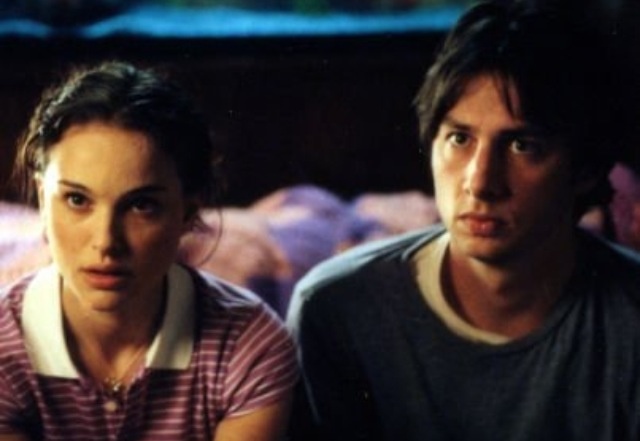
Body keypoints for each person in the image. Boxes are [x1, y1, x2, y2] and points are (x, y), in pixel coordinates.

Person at [286, 2, 640, 440]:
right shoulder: (336, 309)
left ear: (584, 168)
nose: (481, 182)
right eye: (459, 138)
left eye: (522, 146)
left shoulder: (627, 322)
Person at [0, 61, 298, 440]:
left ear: (188, 212)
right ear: (43, 200)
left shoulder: (248, 344)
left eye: (142, 206)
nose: (106, 241)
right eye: (77, 199)